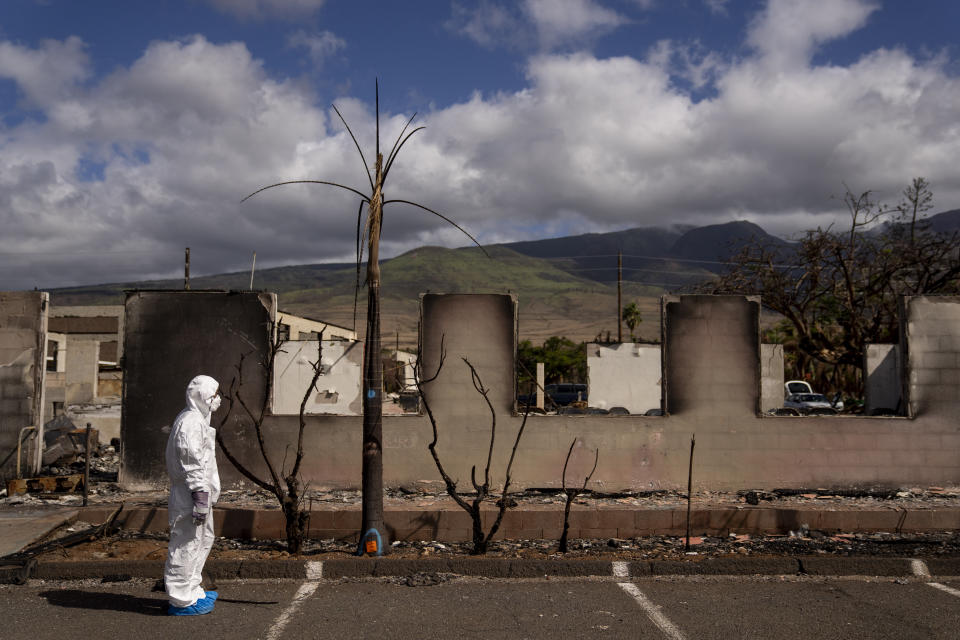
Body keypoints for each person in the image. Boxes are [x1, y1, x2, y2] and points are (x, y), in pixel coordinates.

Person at [164, 374, 222, 616]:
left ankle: (192, 589)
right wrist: (199, 492)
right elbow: (192, 460)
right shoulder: (190, 421)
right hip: (190, 494)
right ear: (204, 397)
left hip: (197, 493)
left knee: (201, 539)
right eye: (214, 395)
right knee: (186, 543)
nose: (218, 399)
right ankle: (181, 600)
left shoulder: (198, 419)